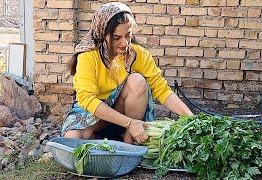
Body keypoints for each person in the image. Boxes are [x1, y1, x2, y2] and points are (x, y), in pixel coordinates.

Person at [62, 2, 193, 144]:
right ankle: (105, 137)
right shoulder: (88, 56)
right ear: (102, 34)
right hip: (96, 114)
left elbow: (162, 90)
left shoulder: (137, 55)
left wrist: (190, 119)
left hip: (123, 111)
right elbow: (88, 99)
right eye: (117, 37)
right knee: (72, 138)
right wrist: (130, 122)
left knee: (137, 81)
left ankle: (128, 140)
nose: (125, 43)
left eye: (128, 35)